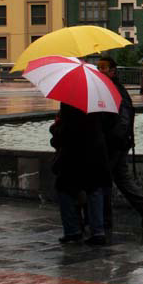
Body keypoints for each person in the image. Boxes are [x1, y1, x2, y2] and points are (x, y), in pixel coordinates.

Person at [98, 56, 143, 229]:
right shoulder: (107, 87)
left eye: (103, 68)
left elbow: (124, 117)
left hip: (115, 143)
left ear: (112, 71)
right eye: (98, 67)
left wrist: (114, 139)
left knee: (103, 178)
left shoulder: (115, 89)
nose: (100, 70)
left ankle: (104, 218)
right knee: (120, 177)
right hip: (119, 142)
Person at [50, 102, 112, 246]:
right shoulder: (99, 101)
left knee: (64, 188)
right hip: (96, 151)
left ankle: (72, 231)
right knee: (94, 189)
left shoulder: (70, 102)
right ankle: (98, 232)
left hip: (74, 153)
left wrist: (55, 129)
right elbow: (109, 124)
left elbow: (65, 132)